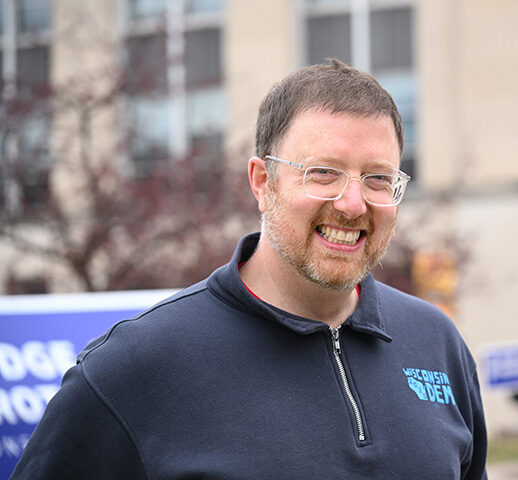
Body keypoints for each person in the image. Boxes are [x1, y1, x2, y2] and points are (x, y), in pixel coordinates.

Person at [11, 59, 487, 479]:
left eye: (378, 178)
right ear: (263, 182)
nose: (352, 203)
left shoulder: (436, 344)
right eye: (322, 172)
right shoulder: (134, 368)